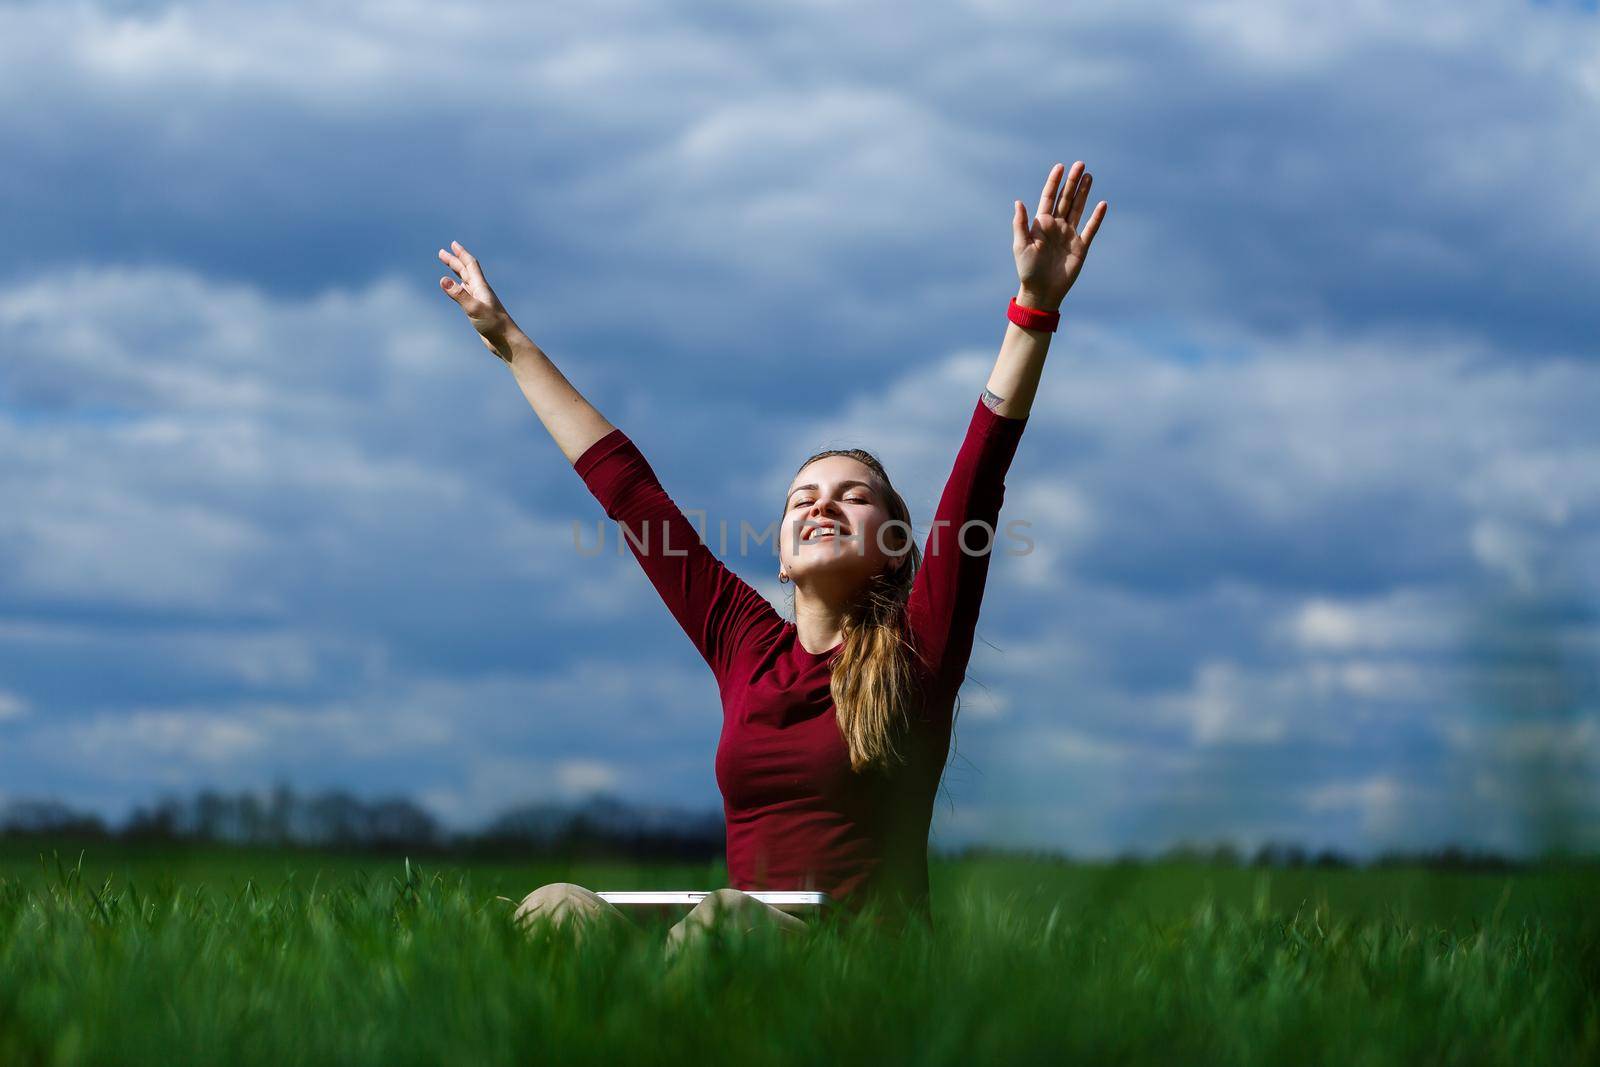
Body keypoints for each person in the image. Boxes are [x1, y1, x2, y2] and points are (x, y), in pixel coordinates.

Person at [436, 161, 1108, 948]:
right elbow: (629, 493)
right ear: (781, 559)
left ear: (896, 548)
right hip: (739, 954)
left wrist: (1032, 307)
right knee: (555, 906)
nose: (820, 502)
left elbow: (981, 470)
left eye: (853, 495)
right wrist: (507, 340)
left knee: (723, 917)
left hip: (864, 977)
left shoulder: (917, 651)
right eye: (801, 498)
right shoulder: (744, 643)